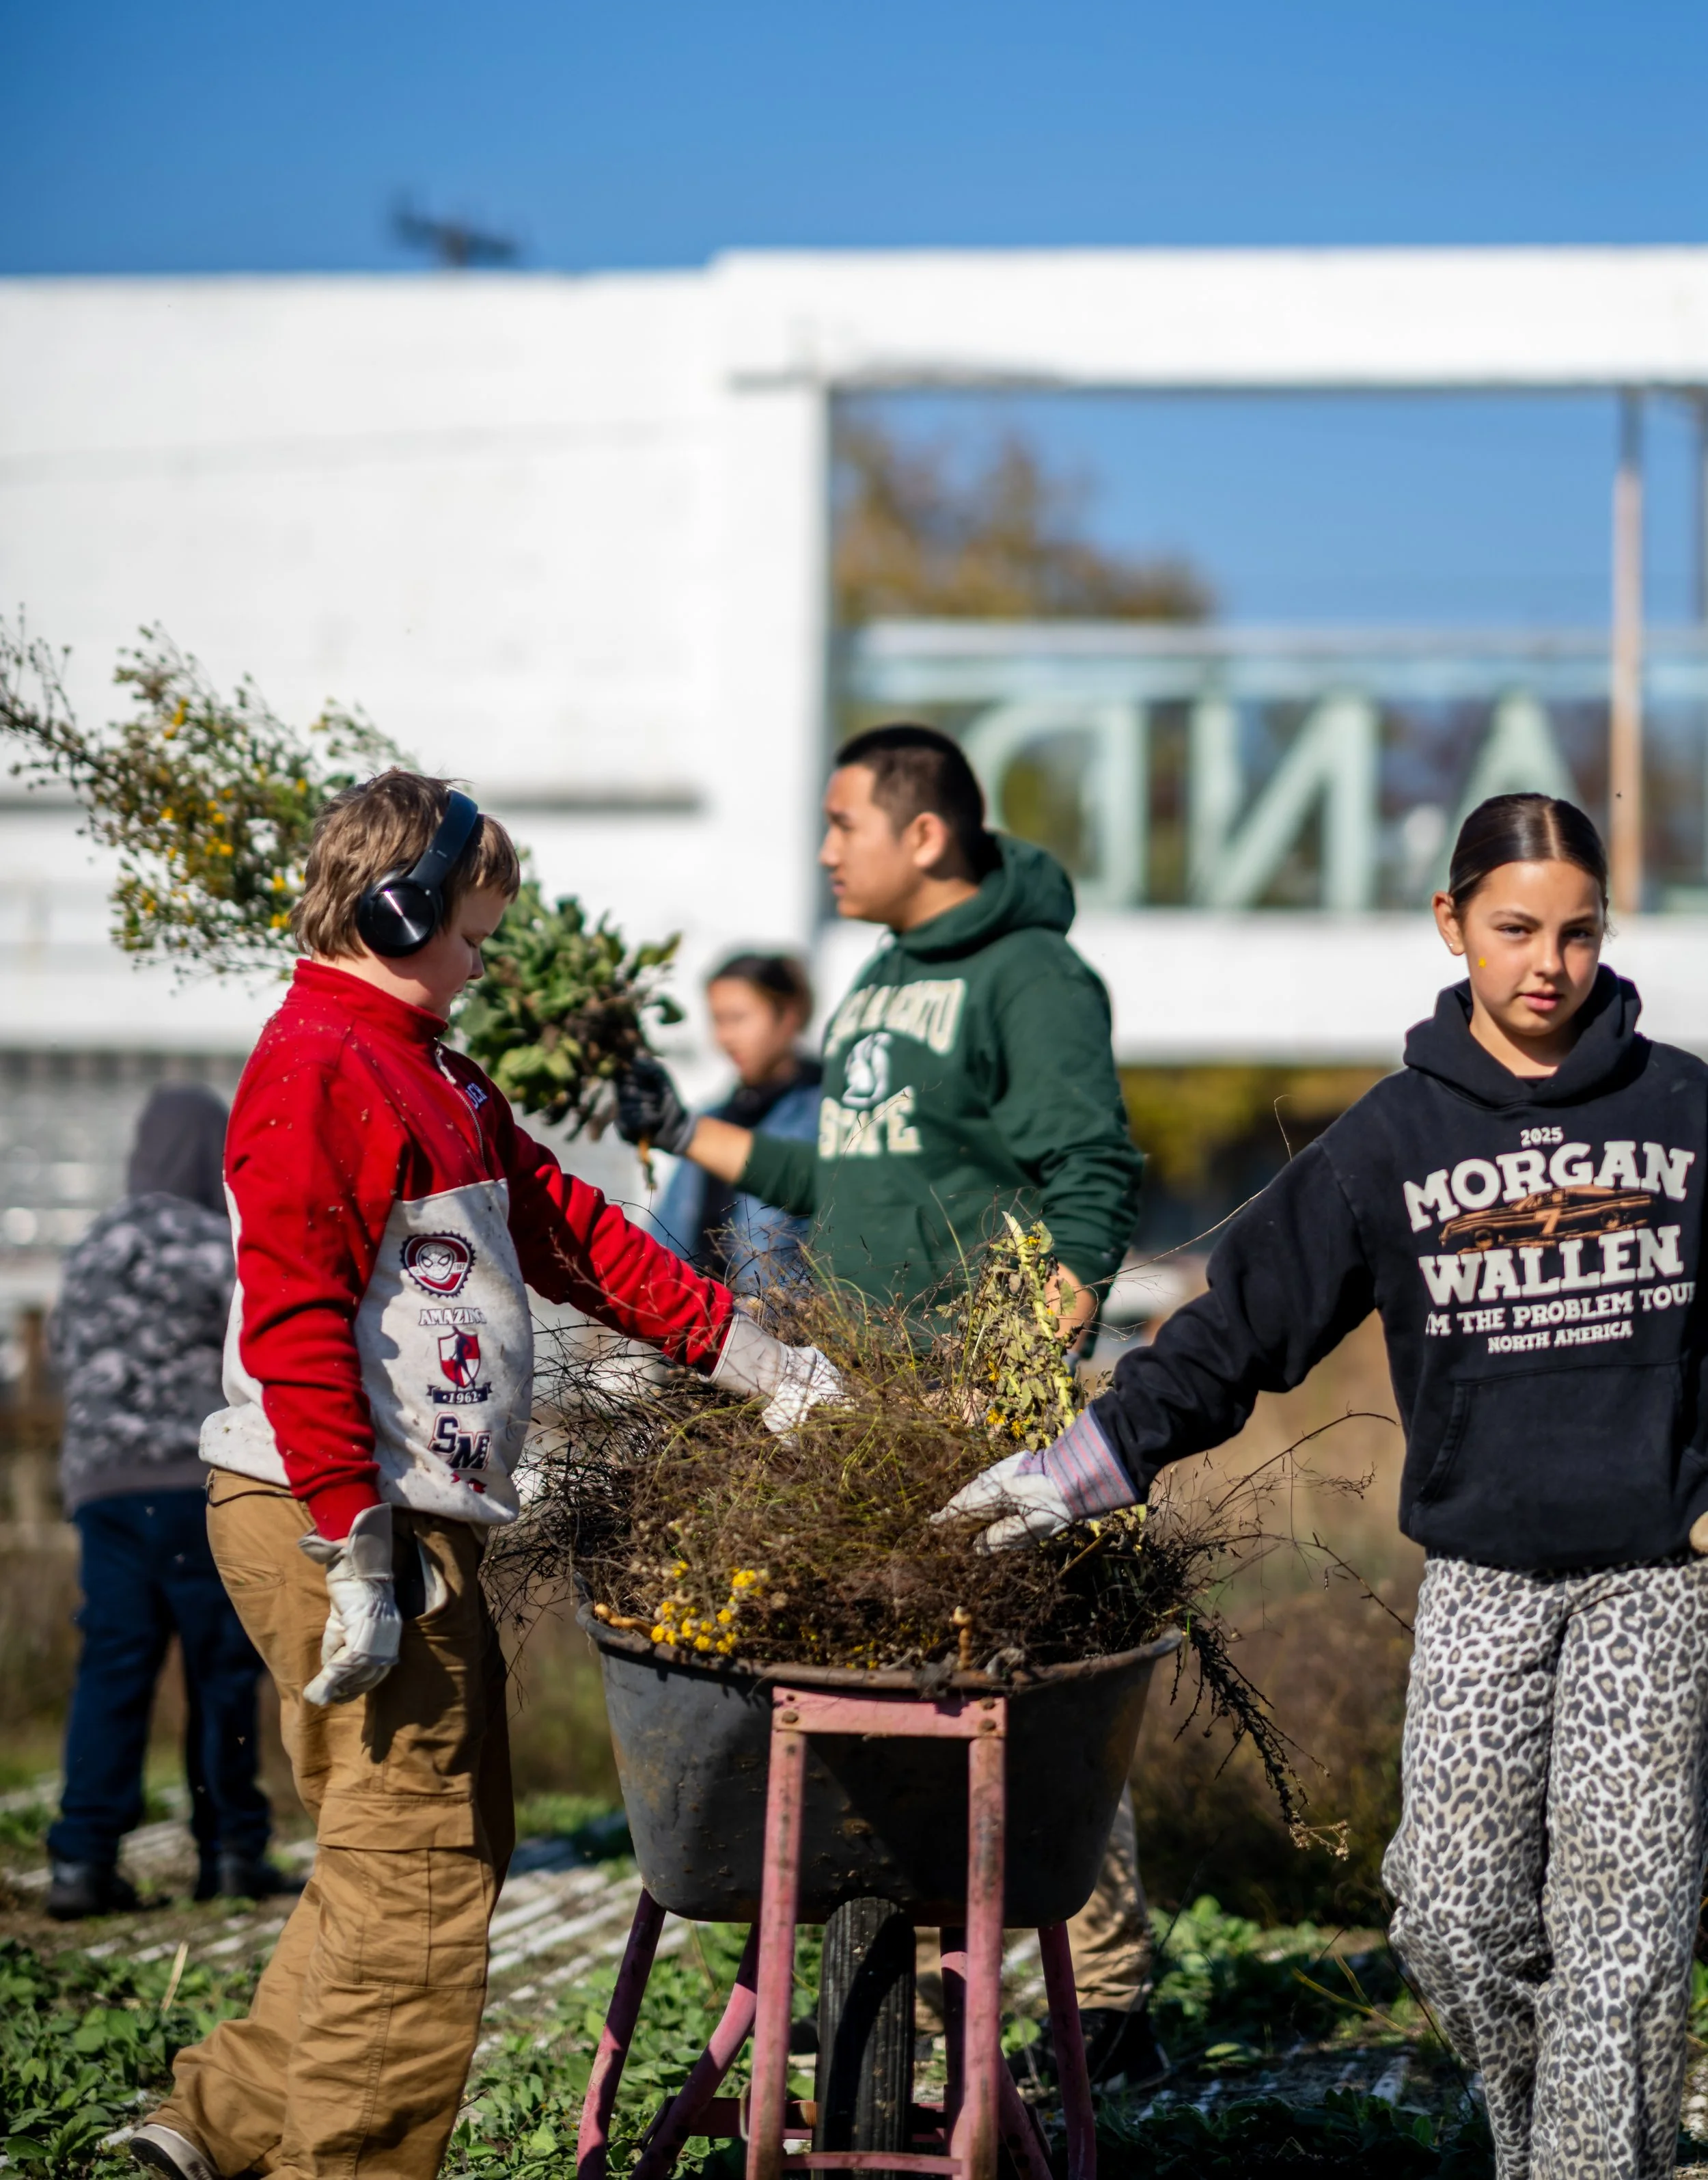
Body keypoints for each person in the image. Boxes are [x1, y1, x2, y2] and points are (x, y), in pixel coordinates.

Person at [943, 791, 1708, 2180]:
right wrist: (1085, 1465)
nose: (1548, 964)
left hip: (1656, 1577)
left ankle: (1590, 2162)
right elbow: (1240, 1330)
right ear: (1451, 923)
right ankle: (1566, 2142)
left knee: (1622, 1935)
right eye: (1515, 929)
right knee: (1451, 1916)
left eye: (1578, 933)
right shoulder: (1390, 1140)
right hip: (1481, 1574)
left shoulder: (1685, 1110)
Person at [131, 770, 837, 2180]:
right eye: (468, 932)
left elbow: (572, 1228)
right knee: (420, 1880)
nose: (479, 962)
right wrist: (351, 1538)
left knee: (409, 1846)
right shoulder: (319, 1064)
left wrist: (754, 1358)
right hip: (341, 1518)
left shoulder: (432, 1071)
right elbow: (291, 1317)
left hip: (396, 1524)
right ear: (397, 912)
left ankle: (214, 2121)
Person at [618, 723, 1163, 2088]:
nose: (823, 850)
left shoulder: (1030, 977)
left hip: (977, 1394)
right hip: (858, 1392)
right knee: (881, 1691)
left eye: (842, 822)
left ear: (922, 833)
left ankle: (1108, 1992)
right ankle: (899, 1993)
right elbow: (836, 1181)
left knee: (1026, 1687)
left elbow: (1092, 1177)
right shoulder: (877, 981)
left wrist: (1019, 1375)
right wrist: (682, 1129)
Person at [45, 1083, 283, 1920]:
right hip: (197, 1486)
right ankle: (230, 1852)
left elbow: (60, 1354)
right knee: (222, 1672)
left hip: (105, 1490)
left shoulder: (93, 1247)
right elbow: (259, 1355)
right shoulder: (217, 1245)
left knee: (112, 1668)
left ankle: (82, 1860)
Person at [651, 951, 821, 1290]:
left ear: (789, 1016)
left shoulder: (828, 1114)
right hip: (701, 1319)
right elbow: (665, 1241)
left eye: (738, 1018)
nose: (724, 1038)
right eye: (718, 1020)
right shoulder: (711, 1120)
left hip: (787, 1323)